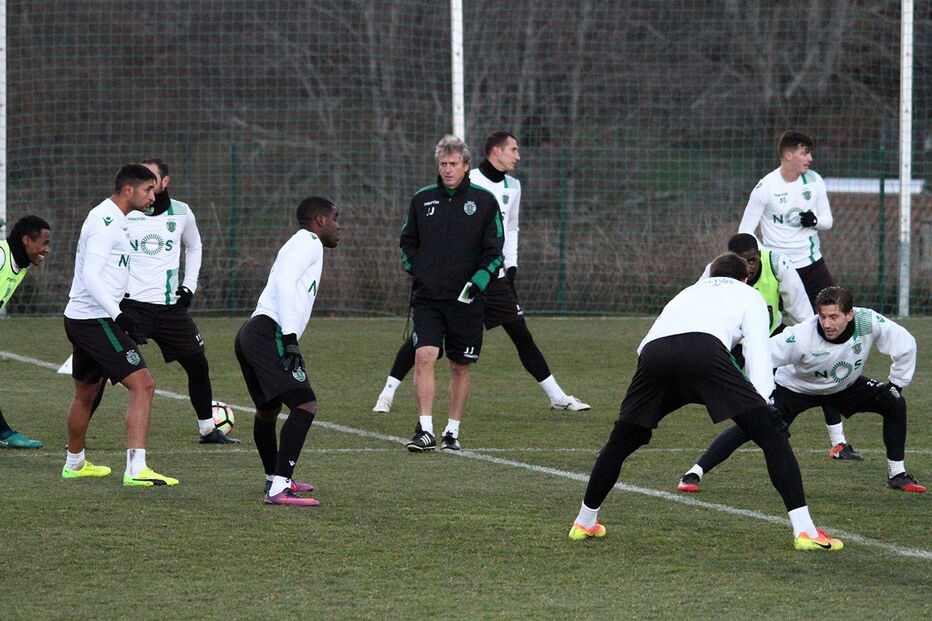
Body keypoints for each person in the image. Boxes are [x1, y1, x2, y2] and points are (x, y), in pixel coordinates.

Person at [568, 253, 842, 551]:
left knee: (621, 441)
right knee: (772, 435)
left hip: (653, 355)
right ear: (745, 278)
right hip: (704, 351)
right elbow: (757, 350)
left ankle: (584, 522)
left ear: (710, 274)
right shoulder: (748, 294)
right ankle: (805, 532)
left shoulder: (687, 292)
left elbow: (647, 344)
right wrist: (764, 402)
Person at [373, 131, 588, 414]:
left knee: (520, 334)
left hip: (492, 277)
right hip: (457, 279)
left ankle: (556, 396)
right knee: (425, 341)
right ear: (496, 151)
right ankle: (387, 392)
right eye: (513, 149)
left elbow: (511, 228)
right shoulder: (466, 179)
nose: (518, 156)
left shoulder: (514, 186)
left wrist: (511, 266)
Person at [677, 286, 925, 494]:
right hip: (795, 390)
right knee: (752, 425)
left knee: (894, 402)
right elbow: (758, 356)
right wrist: (760, 397)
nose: (827, 323)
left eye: (834, 317)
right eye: (822, 316)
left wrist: (896, 384)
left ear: (850, 315)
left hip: (845, 386)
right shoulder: (800, 336)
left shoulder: (867, 321)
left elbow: (905, 344)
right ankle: (694, 473)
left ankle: (897, 474)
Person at [737, 131, 853, 459]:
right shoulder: (765, 188)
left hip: (813, 267)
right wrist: (760, 261)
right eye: (805, 153)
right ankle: (763, 409)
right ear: (789, 155)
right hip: (778, 271)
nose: (810, 159)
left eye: (810, 153)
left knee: (830, 340)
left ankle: (838, 441)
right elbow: (744, 232)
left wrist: (814, 220)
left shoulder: (813, 182)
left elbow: (827, 221)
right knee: (763, 338)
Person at [61, 164, 178, 486]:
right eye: (148, 190)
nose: (153, 196)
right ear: (129, 190)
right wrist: (119, 315)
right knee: (143, 385)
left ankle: (74, 463)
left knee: (86, 393)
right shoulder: (105, 221)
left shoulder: (117, 218)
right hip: (94, 319)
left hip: (84, 317)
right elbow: (90, 276)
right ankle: (136, 469)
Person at [116, 158, 236, 444]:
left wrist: (189, 286)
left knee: (198, 365)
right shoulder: (124, 213)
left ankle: (207, 429)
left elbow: (194, 246)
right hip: (131, 307)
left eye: (151, 177)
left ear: (165, 181)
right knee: (99, 371)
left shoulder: (182, 212)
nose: (146, 182)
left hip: (170, 308)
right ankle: (77, 442)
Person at [399, 135, 504, 452]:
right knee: (424, 355)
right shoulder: (422, 200)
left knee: (460, 365)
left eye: (453, 164)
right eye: (443, 164)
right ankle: (425, 430)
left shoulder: (484, 202)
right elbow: (407, 242)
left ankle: (452, 431)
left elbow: (495, 251)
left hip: (467, 300)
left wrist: (478, 281)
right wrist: (418, 270)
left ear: (466, 166)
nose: (447, 169)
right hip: (428, 298)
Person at [234, 196, 340, 506]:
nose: (338, 226)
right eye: (335, 218)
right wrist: (290, 338)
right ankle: (279, 487)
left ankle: (274, 477)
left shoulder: (299, 243)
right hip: (270, 332)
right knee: (305, 404)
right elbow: (283, 281)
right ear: (320, 220)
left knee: (268, 410)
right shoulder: (309, 241)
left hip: (253, 333)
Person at [0, 216, 51, 448]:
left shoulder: (20, 263)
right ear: (26, 240)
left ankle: (4, 433)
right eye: (44, 243)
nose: (47, 250)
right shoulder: (2, 255)